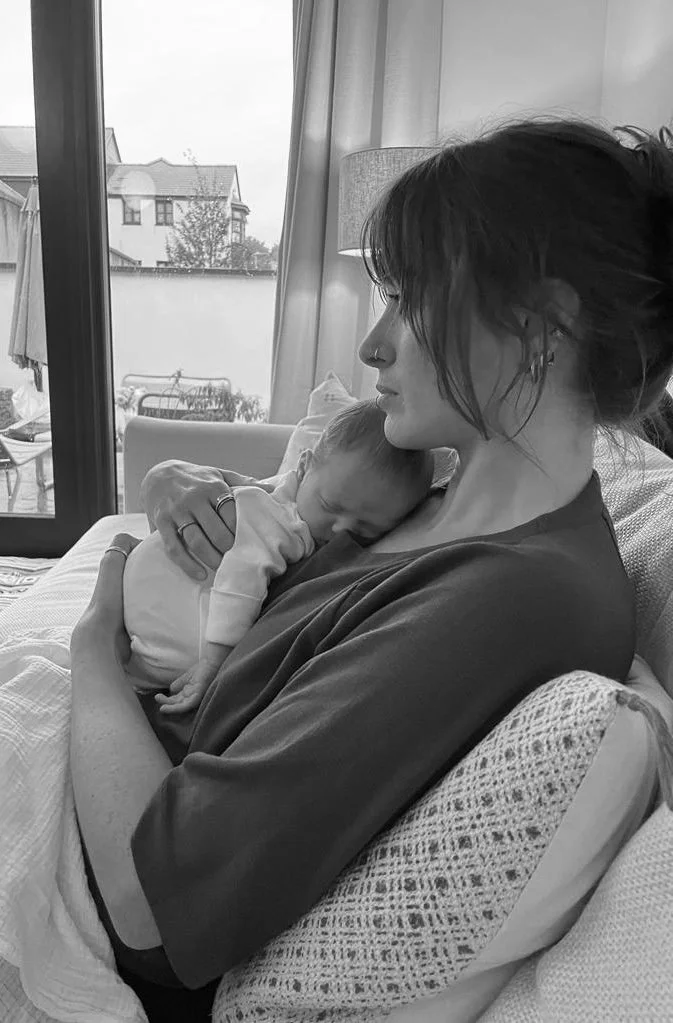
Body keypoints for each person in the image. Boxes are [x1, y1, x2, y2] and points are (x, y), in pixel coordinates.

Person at [69, 119, 673, 1020]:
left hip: (92, 882)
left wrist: (89, 646)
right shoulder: (437, 500)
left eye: (408, 298)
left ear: (541, 325)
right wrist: (180, 480)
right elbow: (287, 525)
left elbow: (150, 903)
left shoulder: (508, 601)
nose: (372, 345)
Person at [122, 399, 433, 714]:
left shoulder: (303, 500)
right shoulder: (274, 516)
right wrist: (215, 660)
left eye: (366, 528)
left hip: (141, 592)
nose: (340, 530)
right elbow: (239, 581)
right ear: (304, 466)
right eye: (330, 506)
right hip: (154, 595)